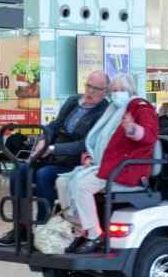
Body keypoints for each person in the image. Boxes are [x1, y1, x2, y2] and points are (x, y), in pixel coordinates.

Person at [0, 71, 110, 246]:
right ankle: (22, 228)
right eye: (88, 86)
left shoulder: (103, 111)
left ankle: (42, 226)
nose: (90, 91)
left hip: (74, 161)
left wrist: (54, 148)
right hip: (50, 154)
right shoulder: (73, 101)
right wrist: (42, 140)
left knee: (44, 175)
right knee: (19, 171)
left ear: (105, 91)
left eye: (95, 88)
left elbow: (86, 143)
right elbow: (55, 125)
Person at [57, 75, 158, 253]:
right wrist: (90, 155)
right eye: (114, 90)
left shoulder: (140, 107)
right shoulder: (113, 109)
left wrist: (133, 129)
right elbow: (98, 139)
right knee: (62, 182)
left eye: (121, 90)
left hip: (127, 168)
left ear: (131, 90)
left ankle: (95, 234)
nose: (117, 94)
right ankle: (81, 229)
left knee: (82, 186)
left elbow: (150, 135)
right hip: (108, 164)